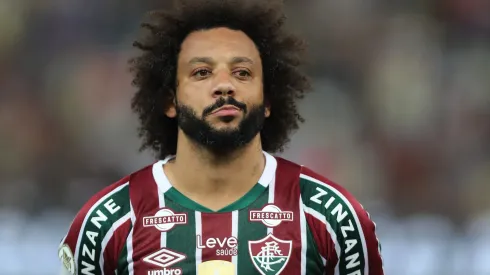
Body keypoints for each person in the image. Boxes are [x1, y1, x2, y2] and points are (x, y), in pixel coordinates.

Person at [58, 0, 384, 274]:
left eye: (242, 72)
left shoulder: (332, 218)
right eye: (202, 72)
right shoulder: (107, 223)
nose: (225, 85)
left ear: (268, 100)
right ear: (170, 100)